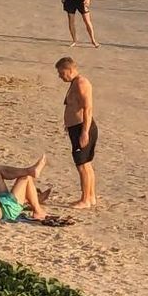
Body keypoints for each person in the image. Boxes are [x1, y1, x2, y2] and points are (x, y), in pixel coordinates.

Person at [58, 56, 98, 208]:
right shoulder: (75, 82)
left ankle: (85, 199)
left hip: (82, 128)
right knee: (86, 164)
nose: (60, 76)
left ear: (70, 70)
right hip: (76, 127)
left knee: (82, 165)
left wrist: (84, 132)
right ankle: (91, 196)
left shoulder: (81, 83)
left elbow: (88, 109)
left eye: (62, 73)